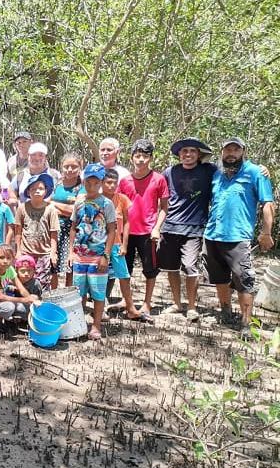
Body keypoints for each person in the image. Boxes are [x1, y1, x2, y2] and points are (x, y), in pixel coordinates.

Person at [203, 138, 274, 334]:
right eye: (228, 149)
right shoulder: (217, 175)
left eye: (236, 149)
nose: (231, 153)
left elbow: (267, 204)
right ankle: (225, 313)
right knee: (219, 278)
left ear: (243, 152)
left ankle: (245, 323)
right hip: (213, 235)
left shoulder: (255, 173)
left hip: (238, 237)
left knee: (244, 280)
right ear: (222, 152)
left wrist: (266, 232)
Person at [157, 137, 215, 321]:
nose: (187, 154)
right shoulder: (170, 172)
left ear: (199, 154)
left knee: (190, 266)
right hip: (170, 226)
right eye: (184, 151)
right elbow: (162, 198)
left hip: (194, 228)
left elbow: (233, 169)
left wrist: (261, 170)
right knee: (170, 268)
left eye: (192, 151)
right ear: (179, 155)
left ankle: (191, 307)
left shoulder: (209, 170)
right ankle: (177, 303)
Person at [117, 139, 167, 316]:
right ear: (131, 158)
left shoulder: (159, 179)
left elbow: (164, 208)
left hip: (148, 232)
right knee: (124, 269)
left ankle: (147, 302)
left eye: (145, 156)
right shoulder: (124, 181)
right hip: (126, 233)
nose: (141, 160)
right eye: (137, 156)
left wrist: (157, 228)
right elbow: (119, 208)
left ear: (150, 158)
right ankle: (126, 300)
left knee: (150, 269)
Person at [68, 163, 116, 340]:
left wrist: (106, 255)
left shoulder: (106, 204)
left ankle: (96, 325)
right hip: (80, 256)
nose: (92, 186)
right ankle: (79, 324)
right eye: (88, 182)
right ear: (83, 182)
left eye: (96, 183)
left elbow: (112, 230)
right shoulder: (79, 201)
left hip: (97, 257)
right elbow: (74, 227)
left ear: (101, 183)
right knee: (78, 292)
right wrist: (71, 252)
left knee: (97, 292)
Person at [101, 169, 150, 322]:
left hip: (116, 244)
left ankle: (130, 308)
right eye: (108, 182)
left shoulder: (122, 199)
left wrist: (124, 244)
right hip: (100, 246)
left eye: (114, 183)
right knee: (101, 277)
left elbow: (127, 223)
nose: (111, 186)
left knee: (124, 276)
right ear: (102, 183)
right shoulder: (98, 200)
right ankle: (100, 308)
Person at [14, 173, 60, 289]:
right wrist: (18, 250)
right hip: (26, 251)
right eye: (33, 189)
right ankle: (26, 303)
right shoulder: (22, 208)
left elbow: (53, 232)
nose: (37, 191)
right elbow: (18, 230)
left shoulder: (50, 209)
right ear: (28, 192)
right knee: (25, 279)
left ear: (46, 191)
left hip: (44, 253)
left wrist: (53, 253)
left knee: (43, 282)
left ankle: (41, 304)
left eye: (40, 188)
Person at [0, 244, 34, 334]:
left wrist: (31, 299)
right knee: (9, 307)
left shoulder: (9, 269)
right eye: (1, 258)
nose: (5, 261)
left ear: (12, 259)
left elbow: (21, 288)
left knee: (25, 308)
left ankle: (2, 321)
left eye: (8, 258)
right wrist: (24, 299)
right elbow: (0, 297)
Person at [51, 152, 86, 287]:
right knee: (52, 263)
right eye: (66, 166)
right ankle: (53, 293)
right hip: (53, 228)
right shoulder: (56, 184)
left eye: (74, 166)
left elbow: (77, 210)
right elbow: (45, 203)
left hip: (72, 230)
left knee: (69, 264)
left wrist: (55, 205)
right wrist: (65, 207)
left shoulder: (82, 187)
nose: (70, 170)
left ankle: (68, 292)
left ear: (80, 168)